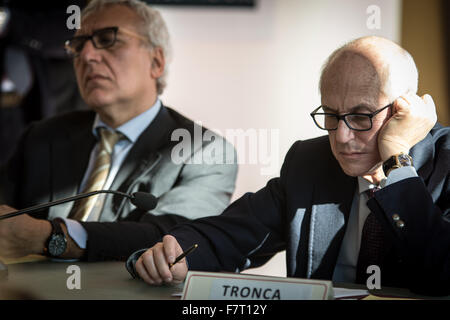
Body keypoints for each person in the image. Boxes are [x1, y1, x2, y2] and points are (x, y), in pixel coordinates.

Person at [129, 36, 449, 296]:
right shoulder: (310, 162)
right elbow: (233, 235)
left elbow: (441, 271)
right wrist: (174, 253)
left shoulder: (445, 162)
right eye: (331, 115)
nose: (341, 135)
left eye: (361, 116)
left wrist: (397, 161)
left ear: (404, 110)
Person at [0, 0, 237, 262]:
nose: (87, 56)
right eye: (78, 46)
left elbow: (175, 240)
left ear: (156, 61)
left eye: (108, 40)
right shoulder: (41, 137)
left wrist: (48, 237)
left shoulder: (204, 151)